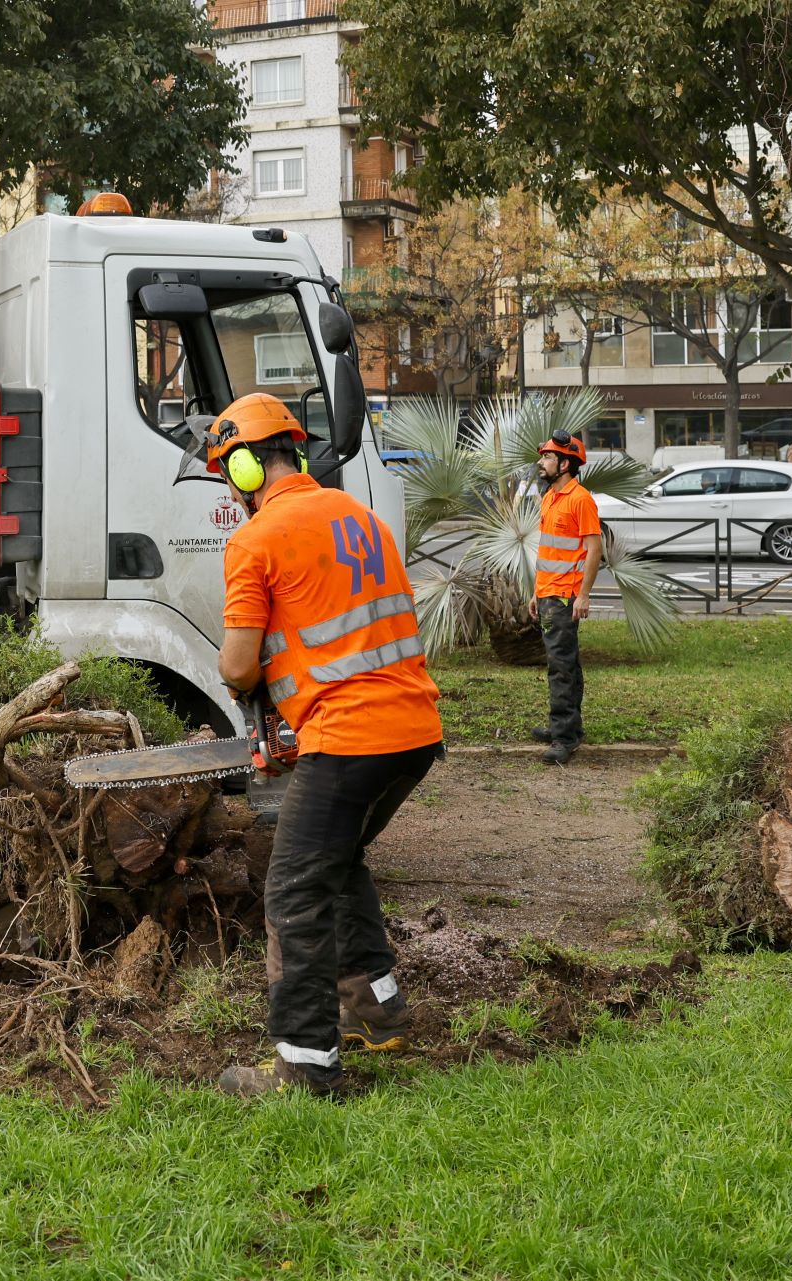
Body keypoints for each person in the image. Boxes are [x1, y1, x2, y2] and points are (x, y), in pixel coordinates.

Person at [206, 393, 445, 1096]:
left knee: (293, 890)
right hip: (415, 734)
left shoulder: (255, 540)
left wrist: (266, 695)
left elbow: (237, 665)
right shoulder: (360, 517)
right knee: (337, 863)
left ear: (245, 466)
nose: (230, 485)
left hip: (351, 738)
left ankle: (305, 1066)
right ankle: (375, 1008)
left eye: (227, 470)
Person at [530, 429, 603, 765]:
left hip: (565, 596)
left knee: (561, 667)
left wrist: (583, 596)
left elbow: (593, 550)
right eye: (543, 456)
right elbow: (547, 551)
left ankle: (564, 737)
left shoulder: (580, 499)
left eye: (547, 457)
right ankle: (568, 727)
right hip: (547, 593)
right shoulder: (550, 497)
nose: (541, 462)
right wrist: (535, 591)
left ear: (565, 463)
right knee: (564, 664)